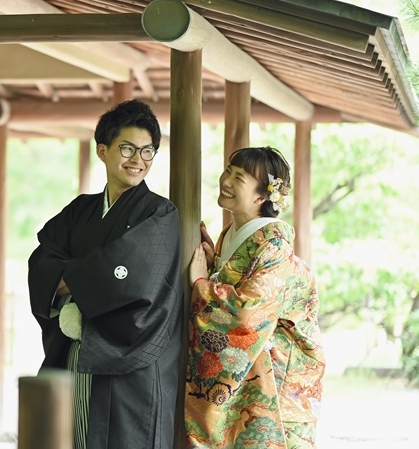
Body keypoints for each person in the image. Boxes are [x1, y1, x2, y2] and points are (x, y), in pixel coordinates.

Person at [28, 99, 183, 449]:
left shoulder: (159, 214)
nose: (138, 159)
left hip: (131, 359)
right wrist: (92, 273)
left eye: (147, 151)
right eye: (127, 148)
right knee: (70, 436)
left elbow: (138, 281)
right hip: (77, 350)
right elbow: (42, 262)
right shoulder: (80, 210)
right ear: (102, 150)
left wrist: (70, 278)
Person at [185, 146, 325, 449]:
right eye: (228, 171)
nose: (226, 180)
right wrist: (213, 267)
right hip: (256, 368)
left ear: (262, 197)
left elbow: (247, 312)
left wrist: (201, 285)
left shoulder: (274, 245)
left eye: (239, 178)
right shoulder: (233, 233)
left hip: (279, 377)